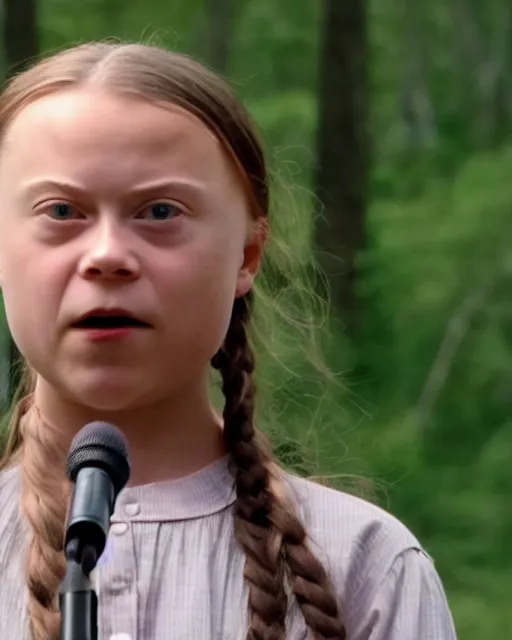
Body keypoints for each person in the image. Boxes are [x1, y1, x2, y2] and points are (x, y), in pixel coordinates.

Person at [0, 41, 457, 640]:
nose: (107, 255)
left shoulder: (366, 568)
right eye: (61, 210)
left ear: (246, 255)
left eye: (160, 211)